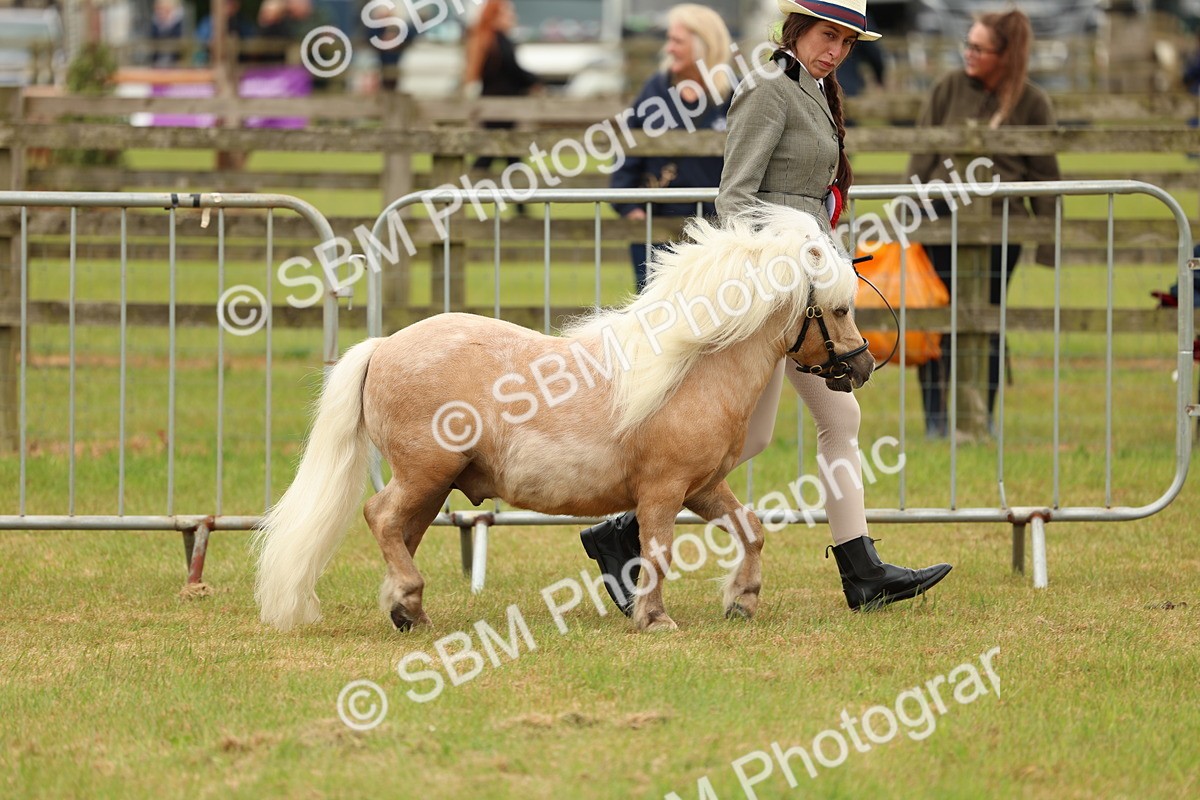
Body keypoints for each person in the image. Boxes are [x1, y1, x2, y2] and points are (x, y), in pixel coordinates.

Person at [580, 0, 953, 616]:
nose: (835, 50)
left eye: (846, 41)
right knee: (794, 430)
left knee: (768, 436)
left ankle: (624, 534)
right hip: (776, 298)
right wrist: (783, 270)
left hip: (806, 292)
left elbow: (810, 196)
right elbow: (736, 199)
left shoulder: (817, 91)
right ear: (796, 30)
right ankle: (857, 571)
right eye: (827, 35)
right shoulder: (767, 90)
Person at [908, 9, 1062, 439]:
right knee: (937, 319)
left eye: (979, 48)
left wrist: (1046, 244)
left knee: (986, 320)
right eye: (967, 44)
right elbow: (920, 159)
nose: (968, 54)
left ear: (1005, 55)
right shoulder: (947, 89)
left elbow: (1046, 179)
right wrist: (910, 215)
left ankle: (980, 419)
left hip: (1000, 230)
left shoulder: (1032, 102)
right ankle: (937, 421)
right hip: (939, 221)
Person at [608, 4, 735, 291]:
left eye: (677, 41)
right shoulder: (656, 89)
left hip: (714, 232)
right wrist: (629, 207)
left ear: (703, 46)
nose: (669, 48)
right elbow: (629, 145)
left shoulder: (732, 93)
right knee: (656, 317)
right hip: (656, 227)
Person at [464, 0, 540, 213]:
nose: (512, 17)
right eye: (508, 13)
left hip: (494, 107)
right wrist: (535, 80)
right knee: (495, 154)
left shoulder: (486, 39)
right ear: (497, 16)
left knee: (505, 155)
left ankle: (521, 209)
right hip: (501, 109)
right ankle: (464, 193)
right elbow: (515, 71)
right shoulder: (499, 41)